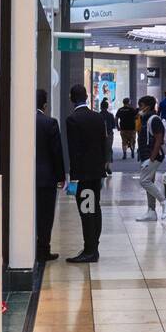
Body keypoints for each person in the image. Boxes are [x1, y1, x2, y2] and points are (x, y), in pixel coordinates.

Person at [65, 85, 106, 263]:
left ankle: (90, 250)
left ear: (71, 98)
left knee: (86, 211)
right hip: (97, 173)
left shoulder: (73, 119)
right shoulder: (97, 117)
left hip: (83, 175)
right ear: (87, 97)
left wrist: (73, 178)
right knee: (95, 209)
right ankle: (93, 246)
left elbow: (74, 151)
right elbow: (104, 144)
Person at [35, 88, 65, 263]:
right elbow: (56, 152)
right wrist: (61, 176)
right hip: (46, 178)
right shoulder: (50, 123)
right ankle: (43, 249)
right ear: (45, 105)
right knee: (45, 216)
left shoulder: (21, 121)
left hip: (25, 179)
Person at [134, 95, 166, 223]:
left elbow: (159, 139)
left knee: (144, 181)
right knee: (149, 181)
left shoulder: (154, 119)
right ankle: (151, 211)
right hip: (146, 155)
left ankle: (164, 201)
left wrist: (151, 158)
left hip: (153, 156)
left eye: (141, 105)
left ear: (147, 106)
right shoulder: (145, 119)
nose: (139, 108)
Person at [98, 98, 116, 176]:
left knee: (101, 150)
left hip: (99, 135)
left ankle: (102, 167)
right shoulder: (110, 115)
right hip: (109, 134)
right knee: (109, 150)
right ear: (107, 107)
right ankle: (107, 166)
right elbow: (113, 125)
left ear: (100, 107)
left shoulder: (98, 115)